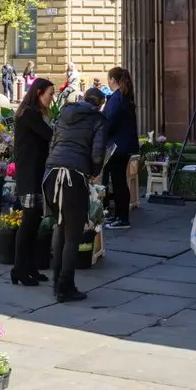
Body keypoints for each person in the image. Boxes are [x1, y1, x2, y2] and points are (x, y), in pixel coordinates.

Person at [42, 85, 107, 303]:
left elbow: (53, 144)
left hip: (51, 175)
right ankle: (65, 286)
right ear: (99, 104)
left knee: (60, 227)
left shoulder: (64, 114)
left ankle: (57, 282)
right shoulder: (97, 119)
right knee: (73, 235)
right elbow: (97, 153)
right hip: (74, 176)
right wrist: (95, 173)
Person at [12, 78, 55, 286]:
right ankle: (19, 269)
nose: (51, 98)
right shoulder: (29, 113)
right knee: (28, 223)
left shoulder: (33, 112)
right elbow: (50, 135)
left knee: (35, 221)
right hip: (29, 175)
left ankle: (30, 267)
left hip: (36, 173)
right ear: (38, 93)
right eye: (49, 94)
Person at [103, 67, 140, 230]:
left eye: (109, 79)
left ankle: (122, 218)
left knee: (118, 182)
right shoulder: (124, 97)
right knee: (119, 181)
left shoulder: (116, 98)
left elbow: (109, 121)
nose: (108, 82)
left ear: (112, 79)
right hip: (123, 145)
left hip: (117, 147)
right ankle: (119, 216)